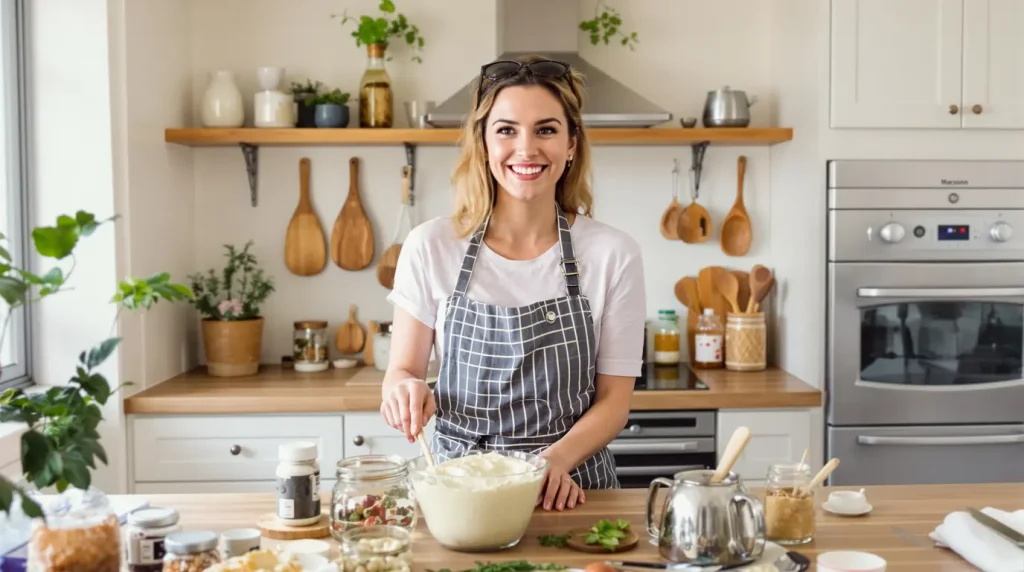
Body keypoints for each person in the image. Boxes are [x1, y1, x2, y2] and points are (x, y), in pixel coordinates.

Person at [380, 55, 646, 512]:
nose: (526, 149)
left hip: (569, 490)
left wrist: (550, 463)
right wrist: (403, 391)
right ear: (483, 143)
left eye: (546, 130)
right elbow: (401, 372)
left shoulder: (613, 254)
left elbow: (613, 402)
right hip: (460, 493)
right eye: (506, 130)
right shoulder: (430, 246)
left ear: (571, 144)